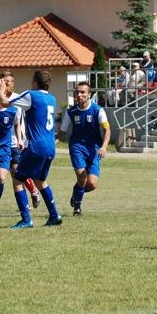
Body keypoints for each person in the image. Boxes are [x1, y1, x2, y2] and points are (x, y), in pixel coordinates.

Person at [0, 70, 61, 228]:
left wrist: (0, 89)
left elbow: (4, 103)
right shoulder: (51, 98)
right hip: (50, 146)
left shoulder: (31, 95)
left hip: (37, 146)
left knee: (17, 179)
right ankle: (54, 215)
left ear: (35, 82)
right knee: (40, 181)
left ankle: (26, 220)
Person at [58, 82, 111, 216]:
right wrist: (51, 143)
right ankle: (77, 208)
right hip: (77, 147)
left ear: (89, 94)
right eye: (77, 92)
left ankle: (76, 192)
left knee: (92, 184)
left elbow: (107, 130)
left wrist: (104, 147)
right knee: (82, 177)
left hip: (94, 149)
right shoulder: (71, 112)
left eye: (83, 92)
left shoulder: (97, 110)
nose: (79, 95)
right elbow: (62, 133)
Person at [0, 71, 40, 208]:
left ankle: (32, 193)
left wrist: (20, 140)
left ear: (13, 84)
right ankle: (27, 201)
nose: (5, 84)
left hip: (15, 142)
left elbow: (18, 122)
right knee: (11, 175)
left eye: (8, 82)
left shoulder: (17, 99)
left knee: (16, 173)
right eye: (3, 81)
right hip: (1, 144)